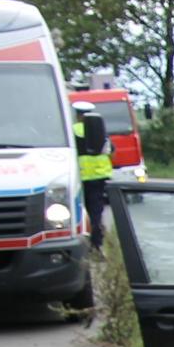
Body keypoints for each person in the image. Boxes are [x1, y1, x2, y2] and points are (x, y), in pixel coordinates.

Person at [71, 101, 112, 249]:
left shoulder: (72, 130)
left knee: (82, 212)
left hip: (81, 177)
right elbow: (110, 149)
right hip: (100, 176)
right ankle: (97, 243)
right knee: (96, 211)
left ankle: (84, 241)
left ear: (77, 115)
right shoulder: (100, 130)